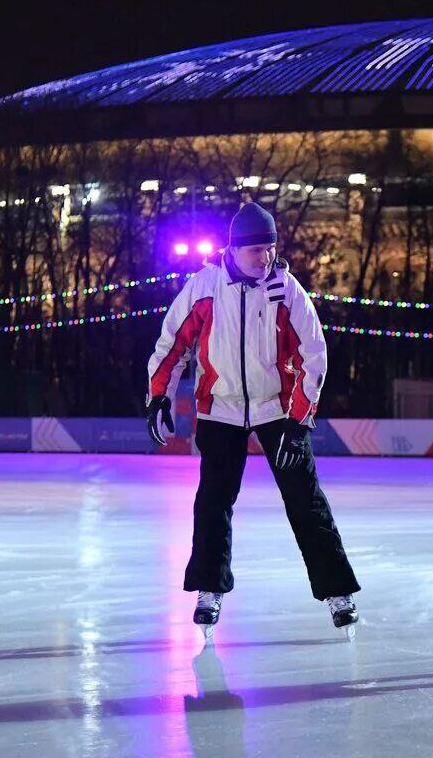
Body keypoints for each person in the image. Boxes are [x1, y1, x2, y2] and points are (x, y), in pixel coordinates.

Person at [146, 202, 361, 640]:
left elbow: (313, 355)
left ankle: (338, 592)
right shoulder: (205, 287)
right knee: (213, 502)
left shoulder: (287, 290)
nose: (263, 257)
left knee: (306, 500)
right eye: (254, 251)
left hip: (277, 409)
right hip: (220, 408)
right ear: (233, 249)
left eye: (270, 248)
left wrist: (299, 423)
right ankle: (209, 589)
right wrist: (158, 397)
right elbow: (173, 344)